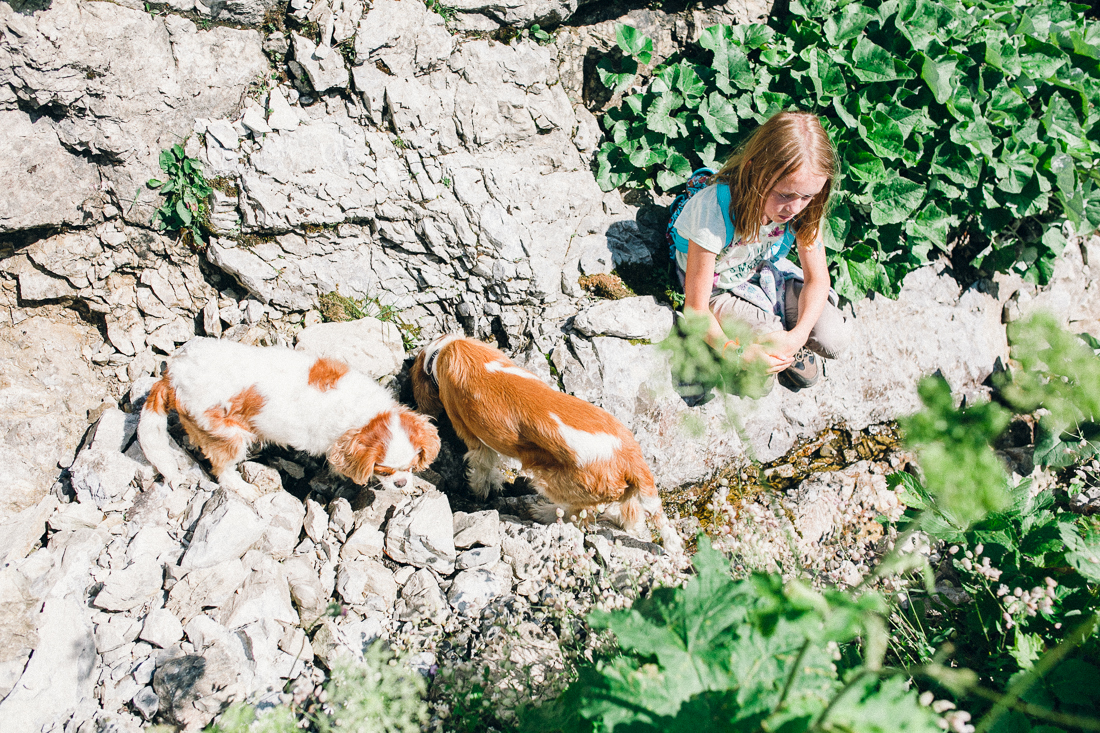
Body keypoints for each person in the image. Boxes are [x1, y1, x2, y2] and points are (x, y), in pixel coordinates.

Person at [671, 110, 851, 392]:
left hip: (758, 271)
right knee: (759, 373)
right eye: (785, 194)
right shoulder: (714, 210)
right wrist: (733, 352)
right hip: (717, 288)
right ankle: (765, 340)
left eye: (807, 196)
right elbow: (696, 309)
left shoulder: (803, 207)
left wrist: (797, 336)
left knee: (834, 338)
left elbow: (817, 278)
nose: (795, 208)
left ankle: (783, 341)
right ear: (754, 171)